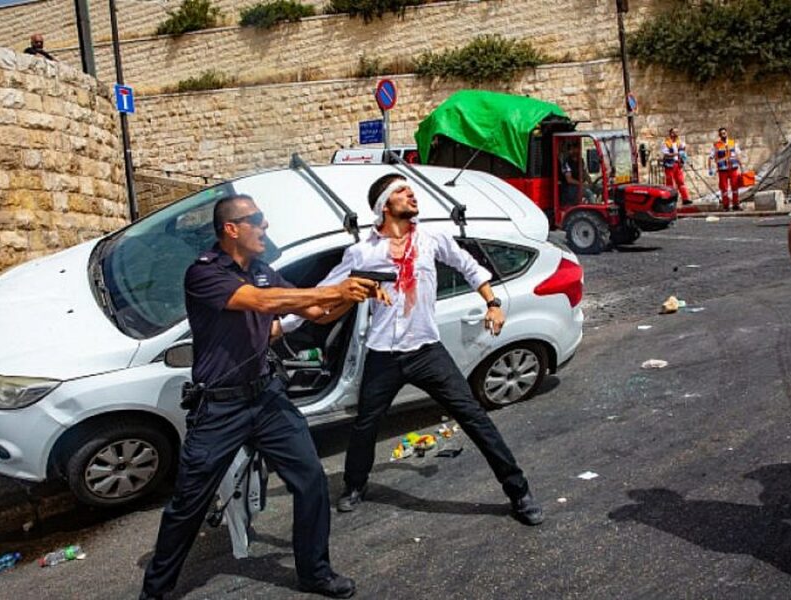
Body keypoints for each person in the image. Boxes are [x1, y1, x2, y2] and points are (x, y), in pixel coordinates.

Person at [139, 194, 385, 600]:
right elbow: (261, 302)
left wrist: (351, 296)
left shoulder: (262, 270)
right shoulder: (204, 274)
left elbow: (318, 315)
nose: (265, 226)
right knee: (188, 503)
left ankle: (315, 573)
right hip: (220, 406)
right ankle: (157, 592)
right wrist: (330, 289)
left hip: (267, 398)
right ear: (232, 229)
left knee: (310, 480)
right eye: (257, 220)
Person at [280, 174, 544, 527]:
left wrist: (492, 303)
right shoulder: (363, 252)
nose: (411, 196)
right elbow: (324, 293)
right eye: (403, 192)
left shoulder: (432, 238)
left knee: (475, 418)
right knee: (365, 425)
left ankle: (519, 491)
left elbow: (468, 266)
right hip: (383, 353)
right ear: (385, 206)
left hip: (426, 350)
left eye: (411, 190)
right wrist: (280, 325)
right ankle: (355, 485)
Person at [708, 127, 744, 211]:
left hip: (733, 168)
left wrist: (742, 167)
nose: (723, 135)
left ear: (727, 133)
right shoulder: (716, 145)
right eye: (721, 134)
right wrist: (710, 168)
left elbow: (737, 155)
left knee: (735, 187)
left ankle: (736, 204)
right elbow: (710, 157)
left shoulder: (732, 143)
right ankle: (726, 205)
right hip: (722, 169)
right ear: (719, 135)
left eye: (724, 133)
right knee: (724, 188)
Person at [661, 127, 691, 206]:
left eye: (677, 132)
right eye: (674, 132)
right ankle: (670, 200)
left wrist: (683, 160)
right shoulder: (666, 143)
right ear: (670, 134)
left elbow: (683, 151)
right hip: (669, 165)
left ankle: (685, 199)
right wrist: (677, 154)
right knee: (670, 183)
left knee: (681, 182)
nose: (676, 134)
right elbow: (666, 154)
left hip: (678, 164)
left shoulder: (680, 143)